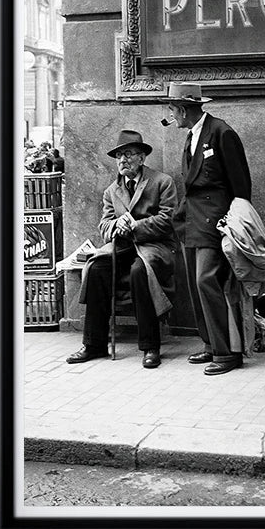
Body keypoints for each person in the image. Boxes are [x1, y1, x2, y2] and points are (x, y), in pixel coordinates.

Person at [162, 81, 252, 376]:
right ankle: (211, 344)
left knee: (206, 280)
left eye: (172, 109)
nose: (170, 115)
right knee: (195, 282)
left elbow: (241, 184)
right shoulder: (192, 135)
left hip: (216, 222)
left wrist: (235, 223)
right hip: (191, 222)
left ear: (184, 109)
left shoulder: (221, 132)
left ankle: (228, 353)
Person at [67, 130, 177, 369]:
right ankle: (94, 344)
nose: (122, 160)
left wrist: (136, 226)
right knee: (96, 268)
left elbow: (168, 219)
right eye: (118, 156)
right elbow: (104, 226)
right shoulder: (111, 191)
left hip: (154, 247)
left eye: (128, 154)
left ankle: (150, 346)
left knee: (140, 271)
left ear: (142, 158)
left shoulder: (162, 182)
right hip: (123, 246)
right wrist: (117, 225)